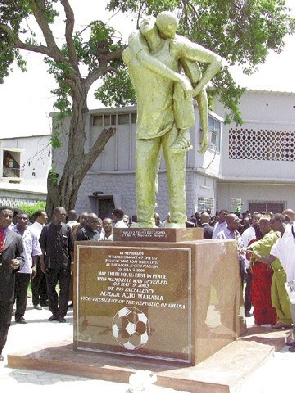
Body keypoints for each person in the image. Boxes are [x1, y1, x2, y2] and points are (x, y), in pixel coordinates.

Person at [123, 12, 222, 228]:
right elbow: (145, 60)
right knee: (143, 177)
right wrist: (179, 78)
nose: (148, 27)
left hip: (173, 125)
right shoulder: (132, 49)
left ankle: (177, 218)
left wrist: (204, 129)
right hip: (146, 125)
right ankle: (144, 219)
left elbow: (203, 85)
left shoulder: (176, 46)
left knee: (177, 175)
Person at [252, 218, 295, 351]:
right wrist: (256, 256)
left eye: (272, 223)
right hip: (291, 280)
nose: (270, 226)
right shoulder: (279, 241)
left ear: (280, 221)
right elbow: (270, 259)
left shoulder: (292, 230)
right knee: (293, 307)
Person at [39, 207, 74, 323]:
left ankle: (62, 314)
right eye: (61, 214)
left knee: (64, 290)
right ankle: (54, 311)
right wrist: (42, 262)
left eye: (64, 214)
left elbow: (71, 249)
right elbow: (42, 248)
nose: (63, 216)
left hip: (64, 265)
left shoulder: (67, 228)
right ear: (55, 213)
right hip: (51, 264)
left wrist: (72, 263)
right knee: (51, 289)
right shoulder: (46, 229)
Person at [0, 207, 24, 361]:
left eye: (10, 216)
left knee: (4, 321)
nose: (8, 218)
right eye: (5, 215)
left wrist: (18, 262)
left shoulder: (16, 237)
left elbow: (22, 257)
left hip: (7, 285)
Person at [247, 215, 278, 326]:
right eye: (260, 225)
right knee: (258, 299)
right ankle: (260, 321)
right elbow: (248, 255)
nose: (262, 227)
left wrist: (253, 252)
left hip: (271, 273)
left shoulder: (273, 236)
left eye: (265, 224)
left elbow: (263, 246)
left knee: (272, 299)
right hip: (258, 275)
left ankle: (273, 321)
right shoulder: (253, 240)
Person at [13, 212, 39, 324]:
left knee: (22, 293)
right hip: (12, 267)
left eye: (24, 218)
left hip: (26, 267)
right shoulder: (10, 231)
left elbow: (35, 251)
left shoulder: (31, 233)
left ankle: (20, 315)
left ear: (28, 220)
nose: (21, 220)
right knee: (10, 292)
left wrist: (34, 266)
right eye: (19, 218)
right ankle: (7, 314)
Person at [30, 210, 48, 309]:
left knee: (45, 279)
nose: (46, 218)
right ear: (38, 217)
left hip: (45, 257)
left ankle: (44, 299)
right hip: (36, 257)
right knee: (36, 279)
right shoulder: (32, 229)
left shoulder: (46, 228)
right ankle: (35, 301)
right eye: (44, 216)